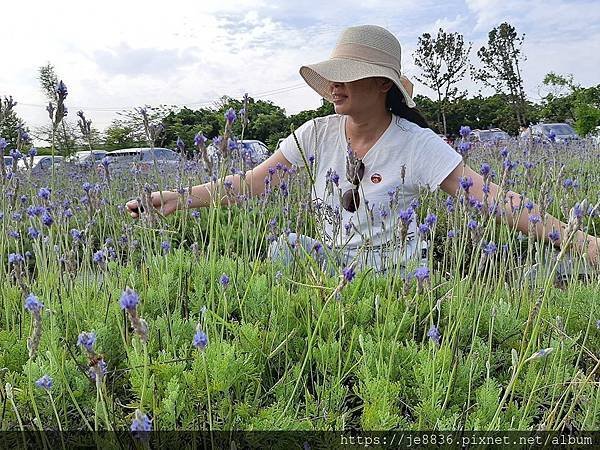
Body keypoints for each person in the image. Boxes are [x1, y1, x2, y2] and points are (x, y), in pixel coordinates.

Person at [126, 24, 599, 277]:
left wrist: (582, 242)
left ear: (381, 84)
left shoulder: (418, 145)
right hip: (333, 264)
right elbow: (252, 183)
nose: (334, 84)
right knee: (282, 248)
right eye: (334, 73)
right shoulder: (316, 133)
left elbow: (492, 198)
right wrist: (179, 198)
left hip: (392, 274)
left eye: (347, 73)